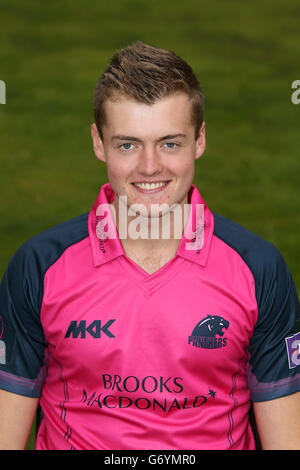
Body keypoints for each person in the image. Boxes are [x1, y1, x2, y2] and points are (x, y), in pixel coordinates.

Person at [0, 42, 299, 451]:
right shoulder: (39, 266)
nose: (149, 166)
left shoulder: (258, 268)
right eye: (128, 144)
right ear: (98, 143)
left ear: (200, 141)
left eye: (170, 143)